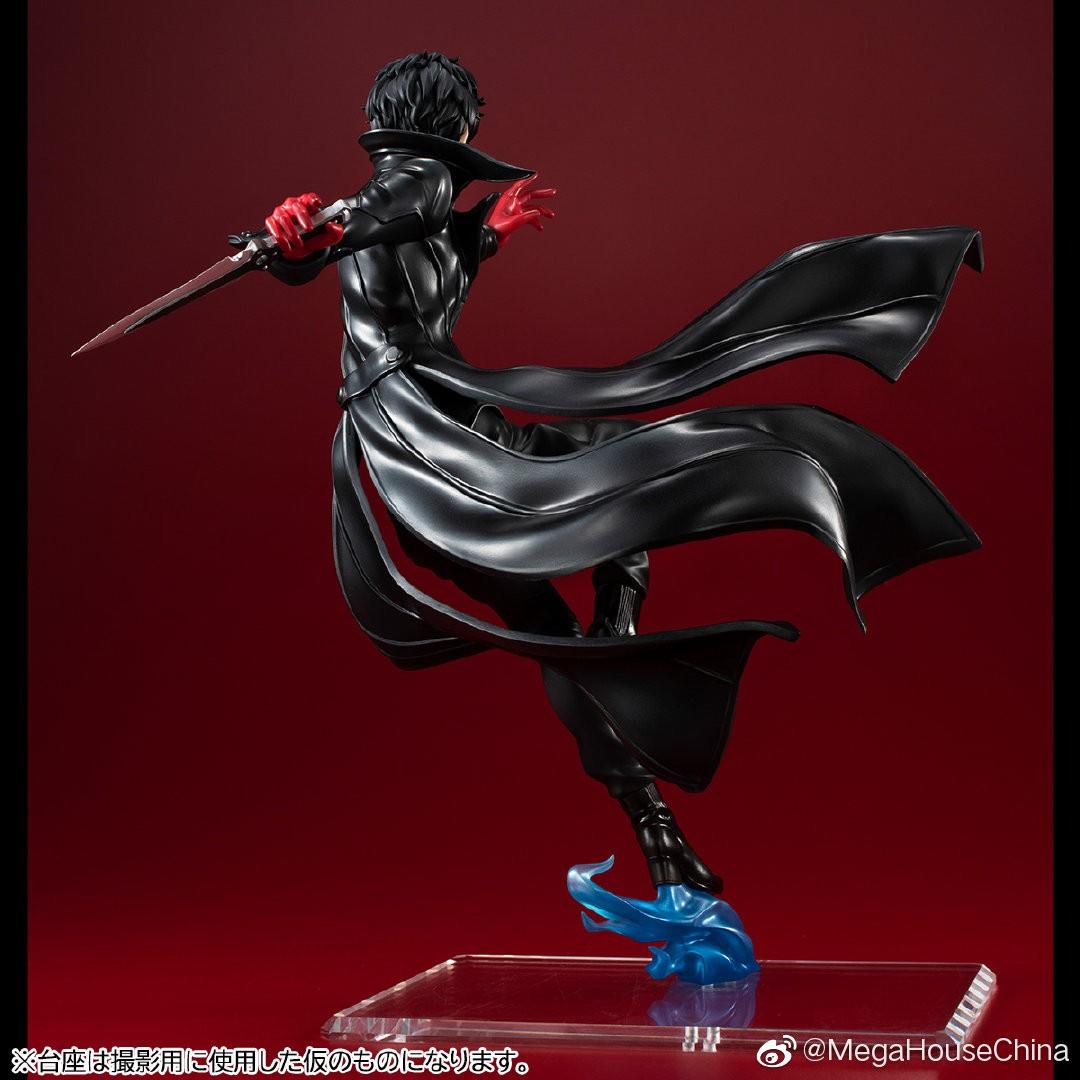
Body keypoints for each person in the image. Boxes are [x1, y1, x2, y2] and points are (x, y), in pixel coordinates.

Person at [257, 51, 982, 893]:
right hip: (441, 465)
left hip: (452, 450)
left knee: (593, 567)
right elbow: (371, 218)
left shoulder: (429, 220)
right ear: (452, 128)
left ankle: (654, 815)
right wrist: (297, 238)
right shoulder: (410, 186)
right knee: (613, 505)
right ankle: (620, 669)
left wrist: (481, 235)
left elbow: (403, 244)